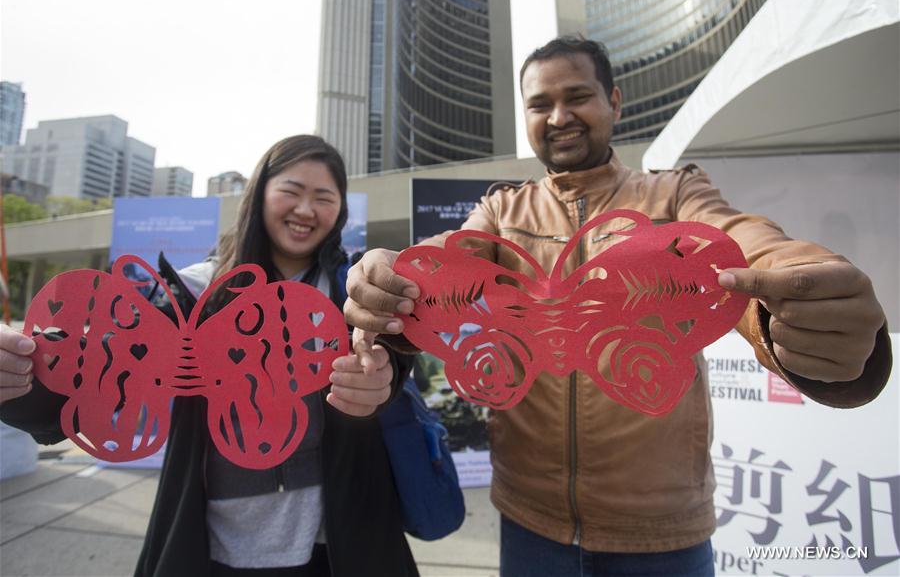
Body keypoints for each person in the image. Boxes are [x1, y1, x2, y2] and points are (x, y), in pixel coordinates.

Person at [343, 37, 892, 577]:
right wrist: (394, 277)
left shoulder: (675, 193)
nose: (559, 116)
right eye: (540, 104)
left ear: (615, 102)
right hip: (529, 521)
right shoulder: (500, 207)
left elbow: (740, 241)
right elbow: (450, 262)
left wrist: (794, 288)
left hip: (663, 530)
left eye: (577, 96)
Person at [0, 135, 419, 577]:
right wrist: (21, 377)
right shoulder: (195, 291)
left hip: (343, 538)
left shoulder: (352, 287)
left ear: (340, 210)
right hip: (216, 542)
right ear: (259, 194)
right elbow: (101, 370)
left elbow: (394, 345)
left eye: (323, 197)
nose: (305, 210)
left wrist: (386, 375)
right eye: (291, 192)